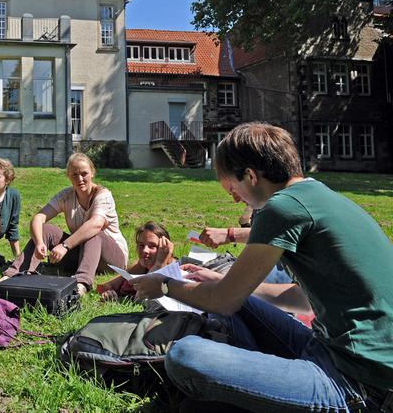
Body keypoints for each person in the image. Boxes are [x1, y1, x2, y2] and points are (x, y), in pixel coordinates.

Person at [131, 122, 393, 411]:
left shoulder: (281, 208)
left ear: (251, 176)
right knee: (235, 308)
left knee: (185, 357)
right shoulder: (322, 197)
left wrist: (165, 284)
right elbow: (302, 300)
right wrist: (222, 285)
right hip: (336, 352)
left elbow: (224, 302)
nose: (234, 197)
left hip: (358, 383)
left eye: (233, 188)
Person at [0, 153, 128, 296]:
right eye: (74, 175)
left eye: (84, 173)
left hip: (112, 260)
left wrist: (65, 245)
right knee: (46, 229)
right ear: (69, 176)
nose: (80, 179)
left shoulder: (103, 195)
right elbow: (38, 218)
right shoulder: (66, 196)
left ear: (92, 173)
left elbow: (96, 224)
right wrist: (40, 242)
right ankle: (13, 275)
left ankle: (81, 284)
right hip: (84, 255)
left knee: (93, 233)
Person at [97, 221, 174, 301]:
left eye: (152, 246)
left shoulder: (174, 271)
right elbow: (103, 287)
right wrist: (109, 292)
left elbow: (140, 299)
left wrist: (159, 264)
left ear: (164, 248)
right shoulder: (142, 266)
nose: (145, 250)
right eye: (141, 245)